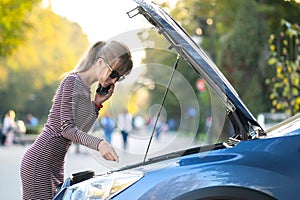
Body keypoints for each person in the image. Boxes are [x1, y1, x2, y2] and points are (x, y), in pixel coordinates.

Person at [20, 40, 133, 199]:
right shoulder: (72, 81)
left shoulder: (85, 88)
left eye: (119, 77)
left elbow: (80, 130)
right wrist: (100, 144)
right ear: (100, 62)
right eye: (114, 73)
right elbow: (66, 129)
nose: (114, 81)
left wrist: (97, 104)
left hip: (54, 165)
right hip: (40, 162)